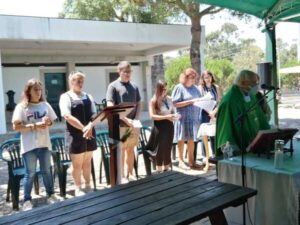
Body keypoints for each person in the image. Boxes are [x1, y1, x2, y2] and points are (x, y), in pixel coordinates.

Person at [12, 79, 58, 211]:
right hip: (29, 146)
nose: (38, 92)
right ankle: (27, 200)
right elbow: (16, 126)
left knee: (46, 171)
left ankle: (51, 195)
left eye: (40, 89)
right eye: (35, 90)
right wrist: (34, 125)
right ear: (28, 91)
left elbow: (52, 122)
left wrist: (48, 122)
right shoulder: (22, 107)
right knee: (30, 173)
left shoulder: (45, 105)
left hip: (44, 144)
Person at [215, 70, 270, 156]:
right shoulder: (229, 101)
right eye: (254, 83)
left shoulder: (251, 96)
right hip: (237, 149)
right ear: (244, 82)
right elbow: (226, 129)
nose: (257, 86)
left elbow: (260, 118)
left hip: (254, 146)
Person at [59, 71, 97, 196]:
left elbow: (94, 114)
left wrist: (90, 125)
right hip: (75, 135)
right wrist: (83, 128)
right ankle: (78, 188)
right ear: (71, 82)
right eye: (78, 81)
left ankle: (88, 185)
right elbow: (67, 116)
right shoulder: (66, 97)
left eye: (82, 81)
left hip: (90, 132)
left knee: (87, 161)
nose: (81, 83)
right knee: (77, 164)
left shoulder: (88, 96)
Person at [106, 61, 141, 182]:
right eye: (125, 71)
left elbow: (139, 103)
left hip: (132, 124)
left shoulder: (134, 86)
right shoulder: (113, 86)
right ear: (119, 71)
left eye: (129, 71)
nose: (127, 74)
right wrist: (125, 119)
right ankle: (121, 176)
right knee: (120, 151)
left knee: (131, 150)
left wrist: (135, 119)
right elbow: (110, 106)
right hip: (119, 124)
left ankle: (130, 173)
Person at [172, 68, 202, 169]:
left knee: (191, 140)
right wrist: (190, 101)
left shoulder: (196, 88)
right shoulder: (179, 87)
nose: (193, 79)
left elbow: (200, 100)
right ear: (185, 77)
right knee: (181, 139)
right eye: (191, 77)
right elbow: (175, 104)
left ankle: (191, 162)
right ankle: (180, 161)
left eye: (195, 77)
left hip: (193, 119)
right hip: (182, 119)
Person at [146, 80, 178, 172]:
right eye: (163, 89)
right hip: (159, 127)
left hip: (169, 125)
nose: (165, 91)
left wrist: (175, 115)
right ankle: (159, 170)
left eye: (166, 89)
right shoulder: (154, 100)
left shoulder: (169, 99)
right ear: (158, 89)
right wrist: (166, 116)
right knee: (160, 149)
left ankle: (167, 169)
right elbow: (152, 116)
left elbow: (172, 111)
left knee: (168, 147)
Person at [198, 71, 221, 162]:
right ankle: (205, 156)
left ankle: (215, 153)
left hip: (215, 113)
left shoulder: (216, 87)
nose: (207, 78)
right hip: (205, 113)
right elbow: (201, 101)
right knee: (205, 134)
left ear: (212, 77)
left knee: (214, 134)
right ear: (203, 78)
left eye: (209, 76)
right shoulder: (201, 88)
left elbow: (219, 101)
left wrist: (214, 112)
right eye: (205, 77)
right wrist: (210, 113)